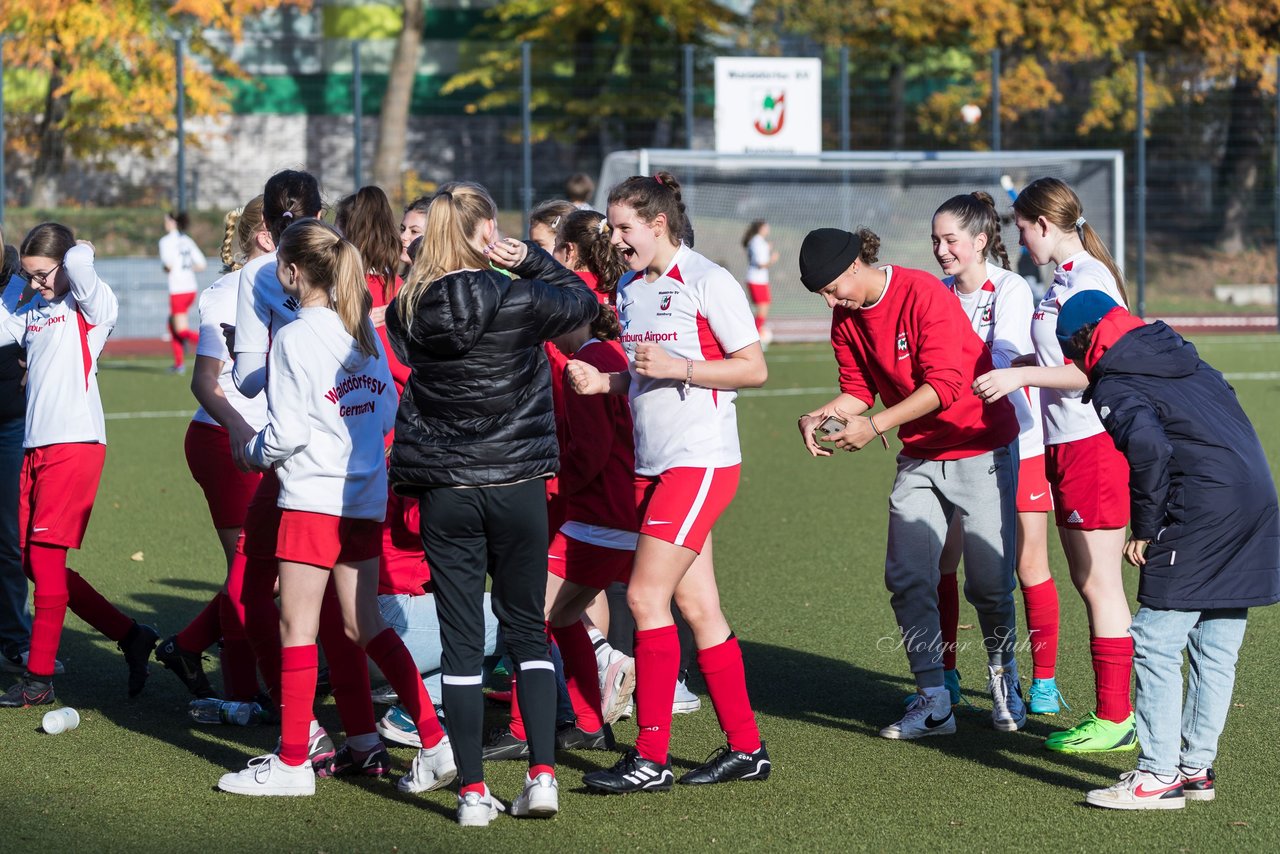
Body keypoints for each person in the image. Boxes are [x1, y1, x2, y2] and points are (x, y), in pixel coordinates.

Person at [217, 218, 453, 798]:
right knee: (362, 623)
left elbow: (287, 434)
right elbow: (388, 415)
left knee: (298, 627)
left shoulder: (294, 337)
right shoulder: (365, 338)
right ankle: (435, 740)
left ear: (292, 273)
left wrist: (250, 450)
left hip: (312, 499)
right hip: (363, 498)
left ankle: (294, 763)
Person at [386, 181, 598, 825]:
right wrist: (531, 260)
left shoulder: (407, 308)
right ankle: (541, 778)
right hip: (516, 486)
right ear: (486, 235)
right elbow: (585, 302)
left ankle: (473, 792)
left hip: (449, 488)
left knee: (460, 644)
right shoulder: (521, 294)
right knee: (527, 630)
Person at [567, 172, 771, 795]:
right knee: (697, 606)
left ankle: (650, 758)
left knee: (643, 600)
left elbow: (753, 368)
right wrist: (607, 383)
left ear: (659, 224)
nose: (615, 239)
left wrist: (682, 365)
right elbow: (642, 373)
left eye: (625, 227)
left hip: (700, 462)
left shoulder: (707, 281)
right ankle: (747, 748)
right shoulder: (630, 287)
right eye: (611, 227)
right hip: (652, 466)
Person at [1050, 292, 1280, 809]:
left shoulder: (1117, 379)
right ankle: (1196, 769)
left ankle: (1157, 777)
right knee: (1216, 642)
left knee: (1155, 636)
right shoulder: (1181, 354)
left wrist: (1147, 528)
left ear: (1082, 345)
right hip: (1257, 497)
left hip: (1204, 507)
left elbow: (1149, 449)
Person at [796, 225, 1026, 739]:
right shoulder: (845, 316)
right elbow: (857, 389)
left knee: (989, 584)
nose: (831, 302)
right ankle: (934, 698)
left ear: (856, 265)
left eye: (833, 288)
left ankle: (1004, 674)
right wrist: (820, 415)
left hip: (980, 443)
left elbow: (945, 385)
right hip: (920, 454)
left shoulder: (921, 291)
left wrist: (875, 425)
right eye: (823, 296)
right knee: (907, 577)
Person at [972, 177, 1136, 753]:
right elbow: (1056, 358)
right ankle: (1113, 714)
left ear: (1042, 224)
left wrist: (1019, 375)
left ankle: (1116, 717)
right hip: (1064, 444)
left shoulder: (1088, 281)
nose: (1017, 235)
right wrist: (1015, 361)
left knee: (1101, 584)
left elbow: (1095, 371)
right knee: (1088, 581)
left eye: (1020, 224)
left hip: (1092, 444)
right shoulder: (1064, 278)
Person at [231, 170, 385, 773]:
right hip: (357, 471)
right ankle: (386, 738)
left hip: (302, 469)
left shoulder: (261, 281)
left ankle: (300, 745)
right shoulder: (355, 293)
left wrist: (297, 392)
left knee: (279, 607)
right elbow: (385, 393)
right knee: (350, 619)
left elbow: (248, 377)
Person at [484, 208, 638, 760]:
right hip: (609, 516)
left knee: (527, 612)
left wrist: (549, 480)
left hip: (597, 517)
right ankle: (592, 722)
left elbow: (592, 453)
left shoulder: (586, 366)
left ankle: (526, 732)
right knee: (563, 615)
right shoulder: (602, 355)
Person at [0, 224, 158, 708]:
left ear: (65, 265)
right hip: (35, 447)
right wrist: (18, 276)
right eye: (29, 277)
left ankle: (39, 677)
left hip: (75, 444)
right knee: (31, 561)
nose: (37, 285)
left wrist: (72, 253)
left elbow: (83, 263)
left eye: (44, 274)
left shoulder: (92, 306)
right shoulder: (35, 307)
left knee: (46, 563)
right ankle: (131, 634)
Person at [929, 192, 1063, 713]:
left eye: (950, 240)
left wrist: (948, 376)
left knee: (1029, 563)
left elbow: (1006, 356)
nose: (941, 250)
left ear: (980, 241)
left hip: (1017, 442)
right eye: (935, 241)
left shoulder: (1009, 288)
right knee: (945, 560)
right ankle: (945, 670)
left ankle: (1043, 681)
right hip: (956, 443)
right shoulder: (936, 292)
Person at [154, 200, 272, 702]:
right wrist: (245, 432)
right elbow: (205, 383)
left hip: (269, 447)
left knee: (272, 572)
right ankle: (242, 694)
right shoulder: (227, 293)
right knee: (249, 576)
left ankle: (188, 646)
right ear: (266, 235)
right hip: (227, 444)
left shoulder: (288, 285)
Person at [159, 210, 208, 375]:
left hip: (178, 289)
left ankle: (213, 343)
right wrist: (186, 270)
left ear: (172, 222)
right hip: (190, 288)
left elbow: (168, 265)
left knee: (180, 330)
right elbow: (202, 264)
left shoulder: (166, 241)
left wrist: (170, 268)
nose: (165, 223)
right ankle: (179, 364)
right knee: (172, 325)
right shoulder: (186, 240)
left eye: (166, 221)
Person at [742, 220, 779, 344]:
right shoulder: (758, 242)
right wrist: (772, 260)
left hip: (759, 280)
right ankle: (754, 338)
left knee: (763, 308)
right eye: (766, 227)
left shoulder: (758, 241)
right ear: (761, 228)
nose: (768, 229)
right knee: (763, 309)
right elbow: (760, 264)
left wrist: (766, 248)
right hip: (756, 280)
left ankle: (755, 335)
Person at [399, 195, 431, 275]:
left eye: (414, 231)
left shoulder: (442, 285)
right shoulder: (396, 283)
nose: (402, 237)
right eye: (402, 229)